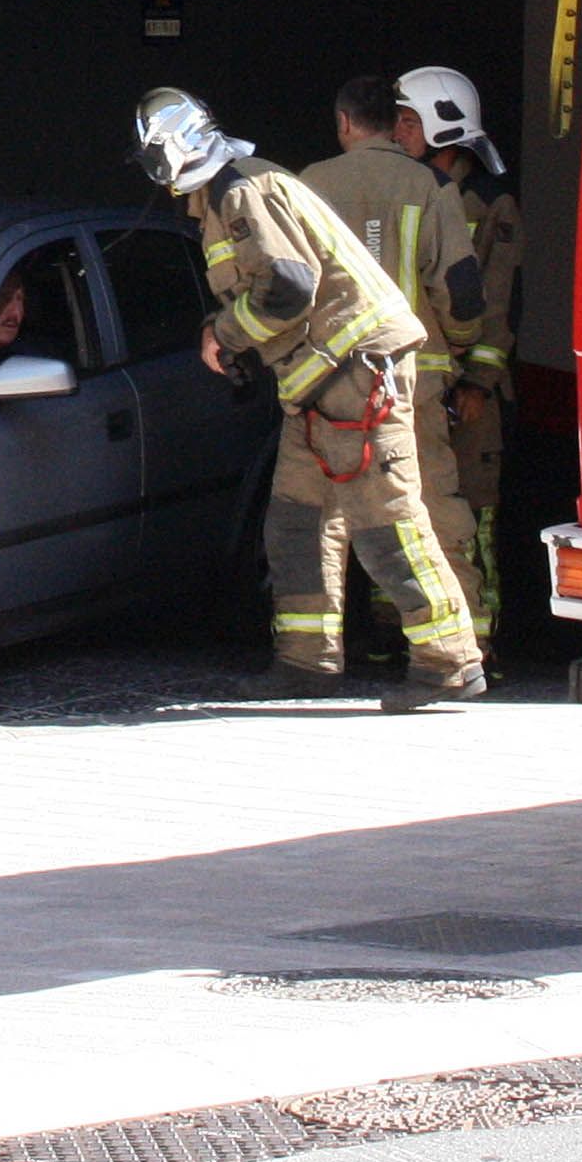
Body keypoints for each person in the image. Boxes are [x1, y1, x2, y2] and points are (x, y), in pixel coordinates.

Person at [134, 87, 481, 711]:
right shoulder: (228, 191)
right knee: (296, 521)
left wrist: (225, 333)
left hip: (358, 374)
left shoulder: (241, 192)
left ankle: (448, 660)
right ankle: (306, 662)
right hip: (319, 384)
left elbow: (290, 287)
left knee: (386, 522)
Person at [303, 72, 493, 650]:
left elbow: (285, 284)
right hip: (413, 382)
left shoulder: (308, 185)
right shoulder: (432, 187)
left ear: (343, 124)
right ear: (393, 123)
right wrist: (457, 343)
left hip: (327, 383)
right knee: (430, 511)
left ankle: (317, 653)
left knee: (323, 519)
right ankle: (464, 649)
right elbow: (461, 291)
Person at [397, 66, 523, 645]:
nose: (397, 131)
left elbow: (500, 304)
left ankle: (477, 638)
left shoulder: (491, 204)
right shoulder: (401, 190)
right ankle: (397, 633)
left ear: (442, 128)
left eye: (407, 120)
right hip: (410, 386)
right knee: (402, 511)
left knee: (471, 513)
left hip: (469, 396)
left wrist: (477, 382)